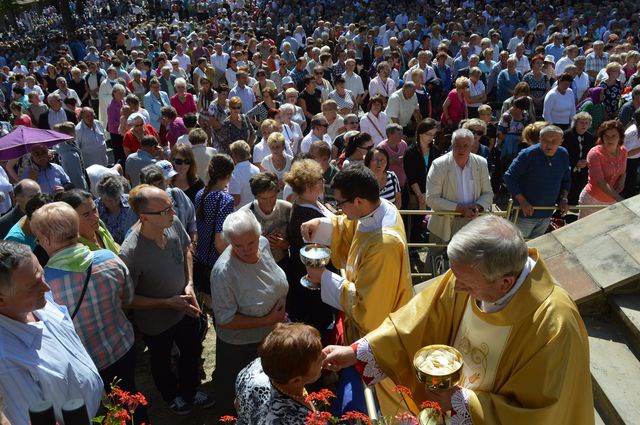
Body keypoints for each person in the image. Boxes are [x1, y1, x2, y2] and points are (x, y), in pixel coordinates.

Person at [321, 215, 594, 425]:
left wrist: (461, 401)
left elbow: (543, 414)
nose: (456, 287)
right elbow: (416, 322)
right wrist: (356, 351)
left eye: (466, 284)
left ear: (505, 282)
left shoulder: (555, 324)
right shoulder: (468, 274)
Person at [301, 164, 413, 414]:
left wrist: (324, 278)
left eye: (340, 204)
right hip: (373, 322)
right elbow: (352, 225)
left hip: (380, 335)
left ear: (360, 200)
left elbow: (369, 307)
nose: (339, 209)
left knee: (371, 406)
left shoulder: (384, 245)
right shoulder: (380, 208)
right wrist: (323, 224)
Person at [30, 202, 146, 420]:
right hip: (120, 347)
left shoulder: (44, 285)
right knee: (130, 400)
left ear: (45, 240)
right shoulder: (110, 259)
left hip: (83, 364)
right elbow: (128, 298)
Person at [119, 184, 214, 415]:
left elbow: (186, 251)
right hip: (155, 322)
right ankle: (171, 395)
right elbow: (127, 300)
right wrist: (167, 303)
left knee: (191, 351)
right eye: (165, 210)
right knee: (161, 360)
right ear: (144, 217)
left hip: (185, 309)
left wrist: (189, 283)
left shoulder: (173, 224)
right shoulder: (130, 253)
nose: (172, 213)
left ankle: (190, 391)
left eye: (171, 207)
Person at [0, 240, 104, 424]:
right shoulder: (6, 362)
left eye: (42, 274)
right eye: (33, 286)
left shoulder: (39, 297)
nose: (47, 289)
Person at [210, 209, 289, 415]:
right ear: (229, 242)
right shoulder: (223, 273)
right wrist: (268, 319)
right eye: (238, 245)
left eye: (251, 242)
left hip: (269, 335)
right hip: (241, 347)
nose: (246, 249)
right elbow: (225, 319)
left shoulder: (263, 243)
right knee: (240, 395)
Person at [425, 128, 493, 262]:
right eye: (457, 145)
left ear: (472, 146)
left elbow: (488, 193)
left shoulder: (481, 163)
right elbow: (431, 199)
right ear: (451, 144)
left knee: (467, 261)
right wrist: (461, 209)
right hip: (443, 223)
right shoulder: (439, 165)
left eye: (465, 146)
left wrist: (478, 207)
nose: (461, 149)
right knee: (435, 259)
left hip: (472, 221)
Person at [235, 323, 323, 424]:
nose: (324, 356)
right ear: (296, 380)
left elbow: (237, 404)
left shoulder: (256, 367)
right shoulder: (294, 419)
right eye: (319, 360)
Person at [504, 125, 570, 238]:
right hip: (523, 214)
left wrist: (564, 198)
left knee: (535, 245)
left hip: (547, 212)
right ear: (539, 140)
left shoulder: (563, 154)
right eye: (545, 140)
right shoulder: (528, 154)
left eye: (554, 141)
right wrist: (522, 201)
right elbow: (509, 177)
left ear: (561, 141)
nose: (549, 144)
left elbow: (566, 178)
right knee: (515, 246)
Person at [193, 154, 235, 297]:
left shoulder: (200, 193)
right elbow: (219, 242)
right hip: (215, 264)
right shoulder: (226, 200)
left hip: (200, 260)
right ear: (229, 175)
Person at [241, 173, 292, 266]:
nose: (268, 202)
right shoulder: (245, 214)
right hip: (257, 266)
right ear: (256, 196)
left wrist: (283, 243)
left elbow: (296, 242)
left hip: (284, 264)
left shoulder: (287, 209)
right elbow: (240, 248)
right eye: (263, 198)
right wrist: (261, 242)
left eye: (272, 197)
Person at [579, 120, 627, 218]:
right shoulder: (594, 154)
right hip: (592, 200)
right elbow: (600, 182)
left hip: (612, 199)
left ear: (620, 137)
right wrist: (620, 199)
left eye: (614, 136)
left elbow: (623, 170)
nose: (610, 139)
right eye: (606, 136)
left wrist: (623, 178)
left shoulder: (623, 150)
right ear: (602, 137)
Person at [55, 189, 119, 254]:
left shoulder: (100, 225)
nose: (95, 217)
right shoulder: (74, 249)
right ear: (71, 219)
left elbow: (114, 245)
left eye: (94, 210)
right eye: (86, 215)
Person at [404, 119, 440, 213]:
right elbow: (411, 177)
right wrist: (420, 196)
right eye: (428, 134)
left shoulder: (435, 150)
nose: (431, 137)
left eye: (433, 134)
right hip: (416, 194)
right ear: (420, 133)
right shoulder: (410, 152)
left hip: (432, 193)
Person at [563, 112, 596, 205]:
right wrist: (575, 162)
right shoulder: (566, 135)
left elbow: (591, 153)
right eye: (581, 122)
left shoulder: (589, 137)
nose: (584, 125)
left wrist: (586, 162)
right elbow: (563, 153)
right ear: (575, 123)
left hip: (583, 171)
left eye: (587, 123)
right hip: (568, 169)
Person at [95, 175, 131, 245]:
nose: (114, 203)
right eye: (109, 200)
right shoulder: (95, 208)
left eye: (117, 199)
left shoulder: (131, 202)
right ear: (101, 197)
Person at [229, 140, 261, 209]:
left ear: (235, 155)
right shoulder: (256, 169)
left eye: (232, 153)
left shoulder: (234, 173)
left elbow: (236, 200)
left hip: (240, 213)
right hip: (254, 209)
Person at [623, 108, 640, 198]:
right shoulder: (633, 132)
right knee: (629, 184)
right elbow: (626, 153)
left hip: (635, 160)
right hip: (628, 162)